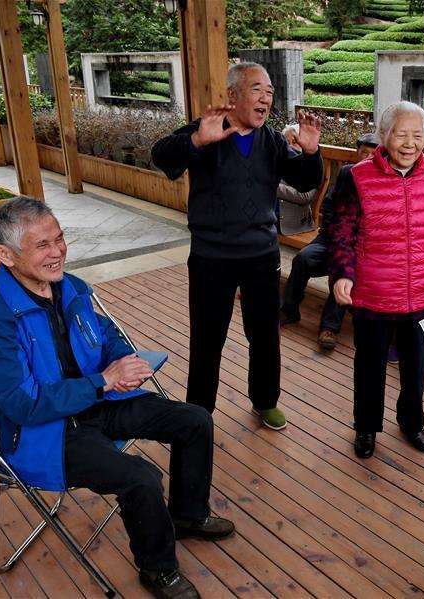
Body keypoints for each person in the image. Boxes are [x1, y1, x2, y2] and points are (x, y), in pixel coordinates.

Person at [0, 198, 235, 599]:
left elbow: (105, 334)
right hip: (48, 434)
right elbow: (21, 403)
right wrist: (102, 381)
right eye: (42, 245)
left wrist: (122, 362)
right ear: (4, 254)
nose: (57, 251)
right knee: (141, 477)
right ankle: (157, 571)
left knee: (194, 420)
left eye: (59, 239)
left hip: (96, 404)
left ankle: (188, 514)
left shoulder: (69, 287)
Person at [151, 62, 323, 430]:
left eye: (270, 93)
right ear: (232, 96)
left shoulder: (274, 141)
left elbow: (305, 180)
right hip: (211, 256)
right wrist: (196, 140)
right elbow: (162, 156)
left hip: (261, 255)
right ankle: (199, 411)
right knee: (207, 336)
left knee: (264, 335)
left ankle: (265, 400)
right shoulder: (209, 131)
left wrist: (311, 153)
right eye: (257, 90)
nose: (266, 98)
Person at [330, 101, 424, 459]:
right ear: (384, 137)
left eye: (417, 135)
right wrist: (342, 274)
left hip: (423, 290)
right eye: (401, 134)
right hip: (373, 293)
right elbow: (342, 231)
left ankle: (412, 422)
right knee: (369, 366)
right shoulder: (356, 176)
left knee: (415, 367)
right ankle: (366, 427)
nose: (410, 143)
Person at [280, 133, 380, 351]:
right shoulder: (347, 173)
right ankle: (289, 309)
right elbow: (328, 207)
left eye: (374, 153)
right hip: (332, 238)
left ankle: (329, 327)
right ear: (357, 152)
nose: (368, 157)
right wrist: (336, 238)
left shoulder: (382, 181)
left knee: (343, 270)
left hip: (360, 247)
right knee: (303, 258)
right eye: (364, 152)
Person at [276, 123, 317, 236]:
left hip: (292, 225)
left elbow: (305, 196)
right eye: (286, 143)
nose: (290, 147)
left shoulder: (312, 163)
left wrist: (271, 185)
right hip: (266, 220)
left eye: (295, 142)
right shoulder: (279, 158)